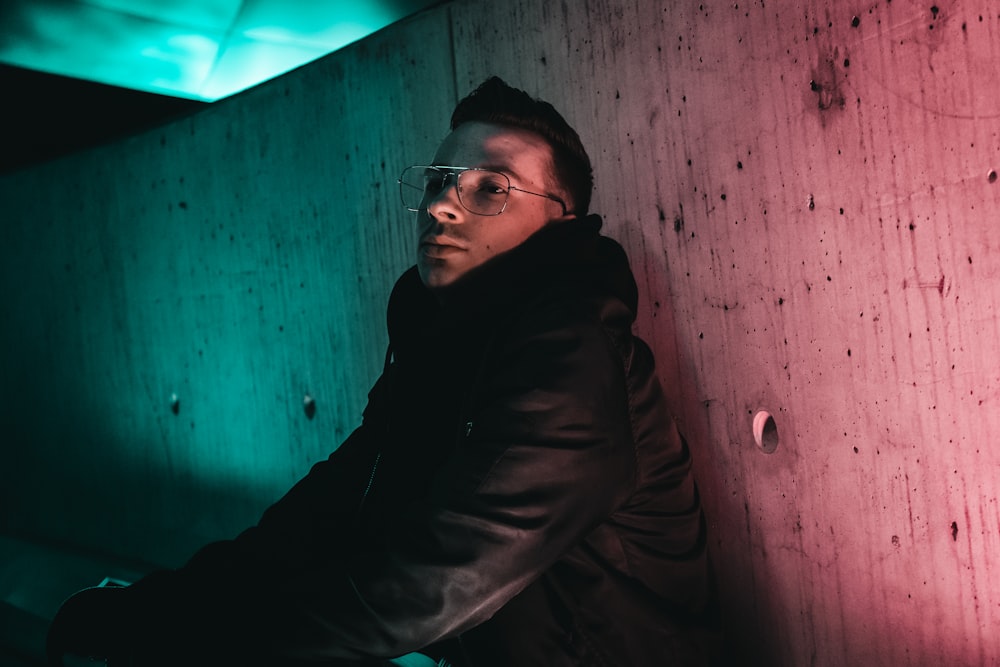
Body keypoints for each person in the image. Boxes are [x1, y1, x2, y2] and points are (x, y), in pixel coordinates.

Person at [46, 77, 715, 666]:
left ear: (558, 221)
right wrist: (162, 607)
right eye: (437, 180)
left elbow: (443, 575)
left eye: (490, 187)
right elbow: (328, 514)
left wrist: (203, 638)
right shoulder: (445, 346)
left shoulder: (573, 355)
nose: (441, 205)